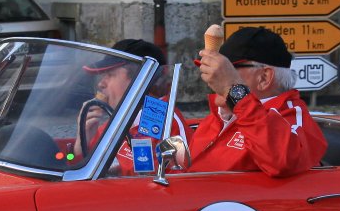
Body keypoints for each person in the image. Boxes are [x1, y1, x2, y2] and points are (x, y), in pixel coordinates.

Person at [191, 26, 326, 176]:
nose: (213, 77)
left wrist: (234, 92)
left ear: (264, 78)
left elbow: (285, 160)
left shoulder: (290, 117)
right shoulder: (219, 117)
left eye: (228, 71)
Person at [73, 37, 184, 173]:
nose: (101, 84)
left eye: (110, 74)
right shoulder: (110, 126)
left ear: (139, 79)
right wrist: (81, 141)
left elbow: (179, 181)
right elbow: (80, 173)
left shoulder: (167, 125)